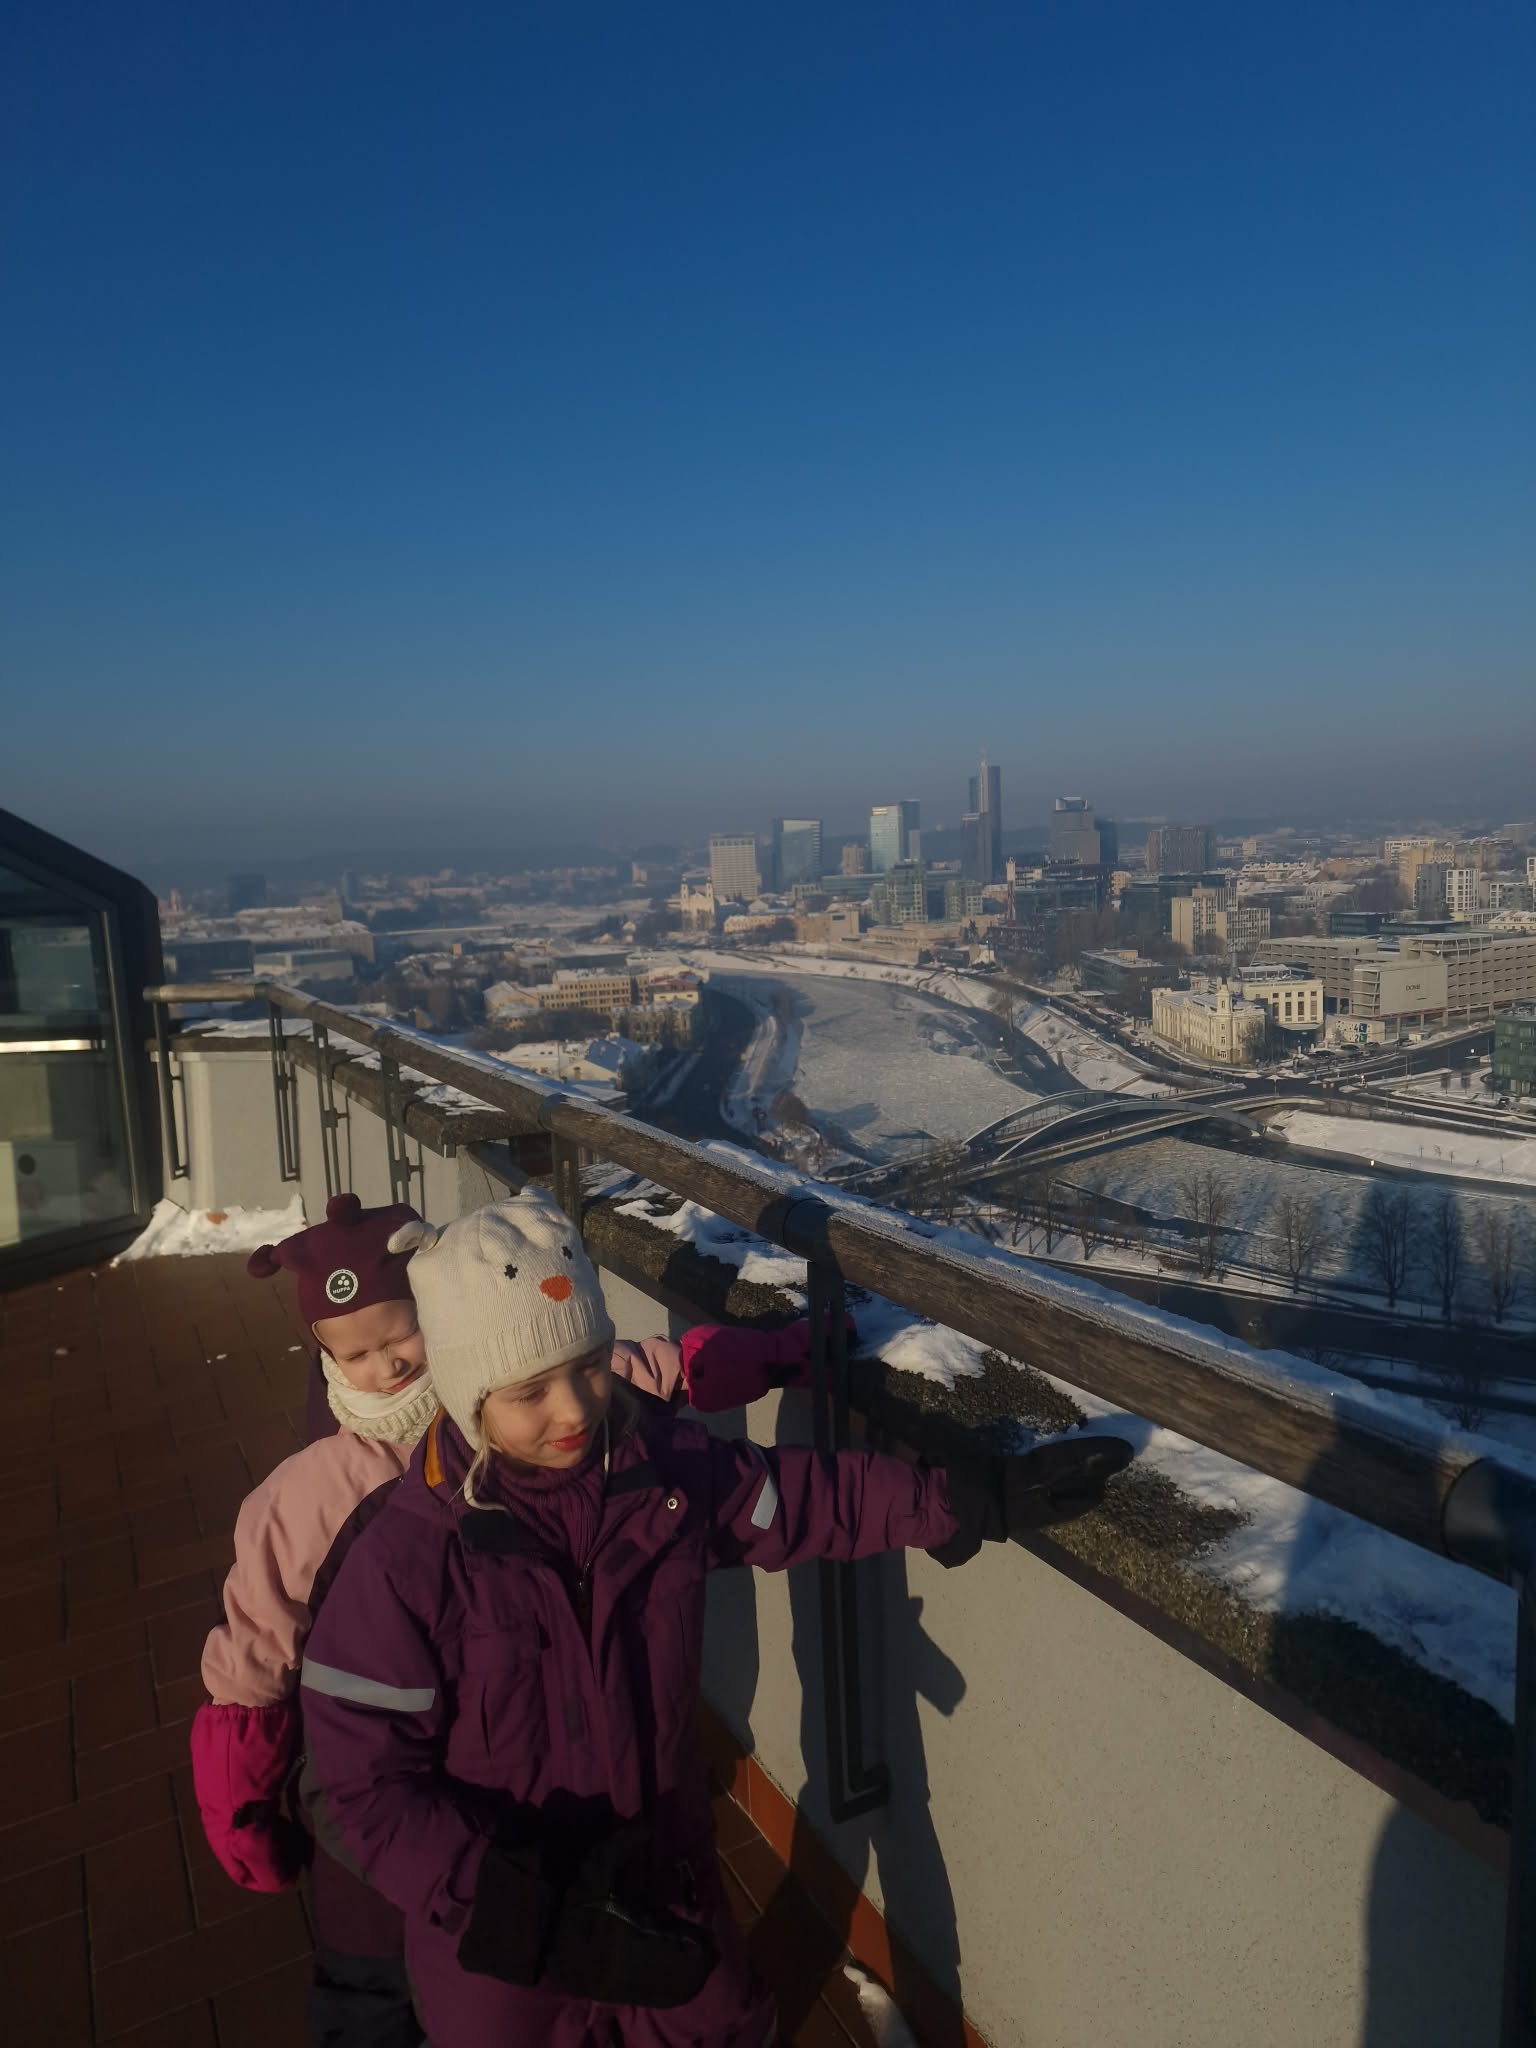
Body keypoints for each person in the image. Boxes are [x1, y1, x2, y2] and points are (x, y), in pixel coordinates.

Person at [300, 1190, 1132, 2048]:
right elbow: (361, 1779)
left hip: (664, 1874)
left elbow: (804, 1499)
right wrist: (515, 1904)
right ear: (468, 1395)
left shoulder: (660, 1473)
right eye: (532, 1390)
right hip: (508, 1942)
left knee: (724, 2027)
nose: (575, 1410)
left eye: (590, 1366)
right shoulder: (410, 1559)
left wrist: (960, 1499)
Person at [191, 1190, 824, 2048]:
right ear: (324, 1356)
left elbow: (659, 1369)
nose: (386, 1366)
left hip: (520, 1779)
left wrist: (779, 1356)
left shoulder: (525, 1384)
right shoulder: (304, 1495)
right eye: (355, 1353)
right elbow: (256, 1646)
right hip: (384, 1789)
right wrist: (238, 1792)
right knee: (380, 1968)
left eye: (401, 1335)